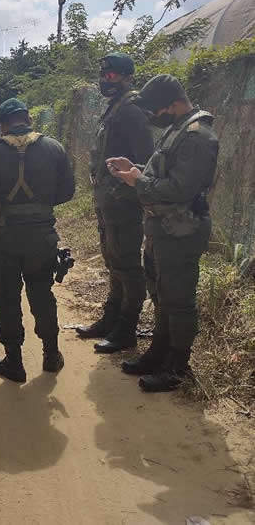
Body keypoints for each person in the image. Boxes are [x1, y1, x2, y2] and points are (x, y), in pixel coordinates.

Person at [108, 74, 218, 392]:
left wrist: (137, 181)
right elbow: (165, 173)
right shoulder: (177, 129)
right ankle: (159, 351)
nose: (151, 117)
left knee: (178, 299)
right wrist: (136, 169)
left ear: (173, 104)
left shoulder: (198, 136)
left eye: (154, 110)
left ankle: (178, 366)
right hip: (163, 227)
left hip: (181, 230)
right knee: (160, 293)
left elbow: (179, 188)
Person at [0, 98, 75, 383]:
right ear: (28, 118)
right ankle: (51, 354)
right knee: (42, 293)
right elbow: (67, 192)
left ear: (1, 125)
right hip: (42, 237)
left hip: (3, 238)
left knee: (5, 296)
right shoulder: (54, 148)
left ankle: (14, 362)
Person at [78, 53, 154, 353]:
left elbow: (146, 161)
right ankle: (111, 318)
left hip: (124, 202)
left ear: (128, 77)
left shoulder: (132, 111)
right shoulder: (115, 108)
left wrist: (128, 184)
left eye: (110, 76)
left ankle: (126, 328)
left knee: (128, 265)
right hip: (108, 201)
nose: (104, 80)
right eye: (102, 75)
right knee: (113, 261)